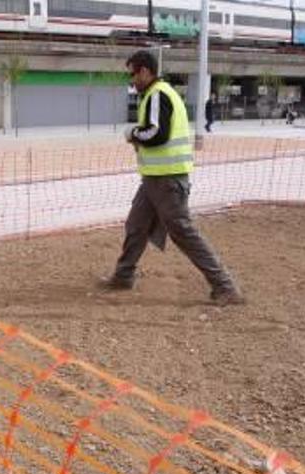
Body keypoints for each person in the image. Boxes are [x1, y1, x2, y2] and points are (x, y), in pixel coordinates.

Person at [100, 50, 243, 306]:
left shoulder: (158, 94)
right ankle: (123, 275)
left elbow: (157, 134)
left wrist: (132, 133)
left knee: (183, 232)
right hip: (155, 178)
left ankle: (224, 285)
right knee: (136, 225)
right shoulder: (154, 95)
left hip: (167, 179)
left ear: (145, 71)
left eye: (132, 74)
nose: (130, 80)